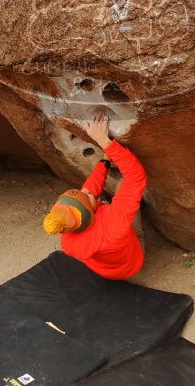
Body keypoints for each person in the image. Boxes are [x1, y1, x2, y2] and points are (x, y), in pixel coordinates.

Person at [42, 112, 146, 280]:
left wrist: (105, 162)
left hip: (105, 269)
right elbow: (135, 177)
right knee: (122, 187)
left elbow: (88, 193)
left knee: (99, 200)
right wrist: (105, 142)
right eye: (86, 196)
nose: (87, 190)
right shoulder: (114, 223)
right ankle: (138, 243)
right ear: (89, 211)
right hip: (131, 263)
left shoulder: (68, 235)